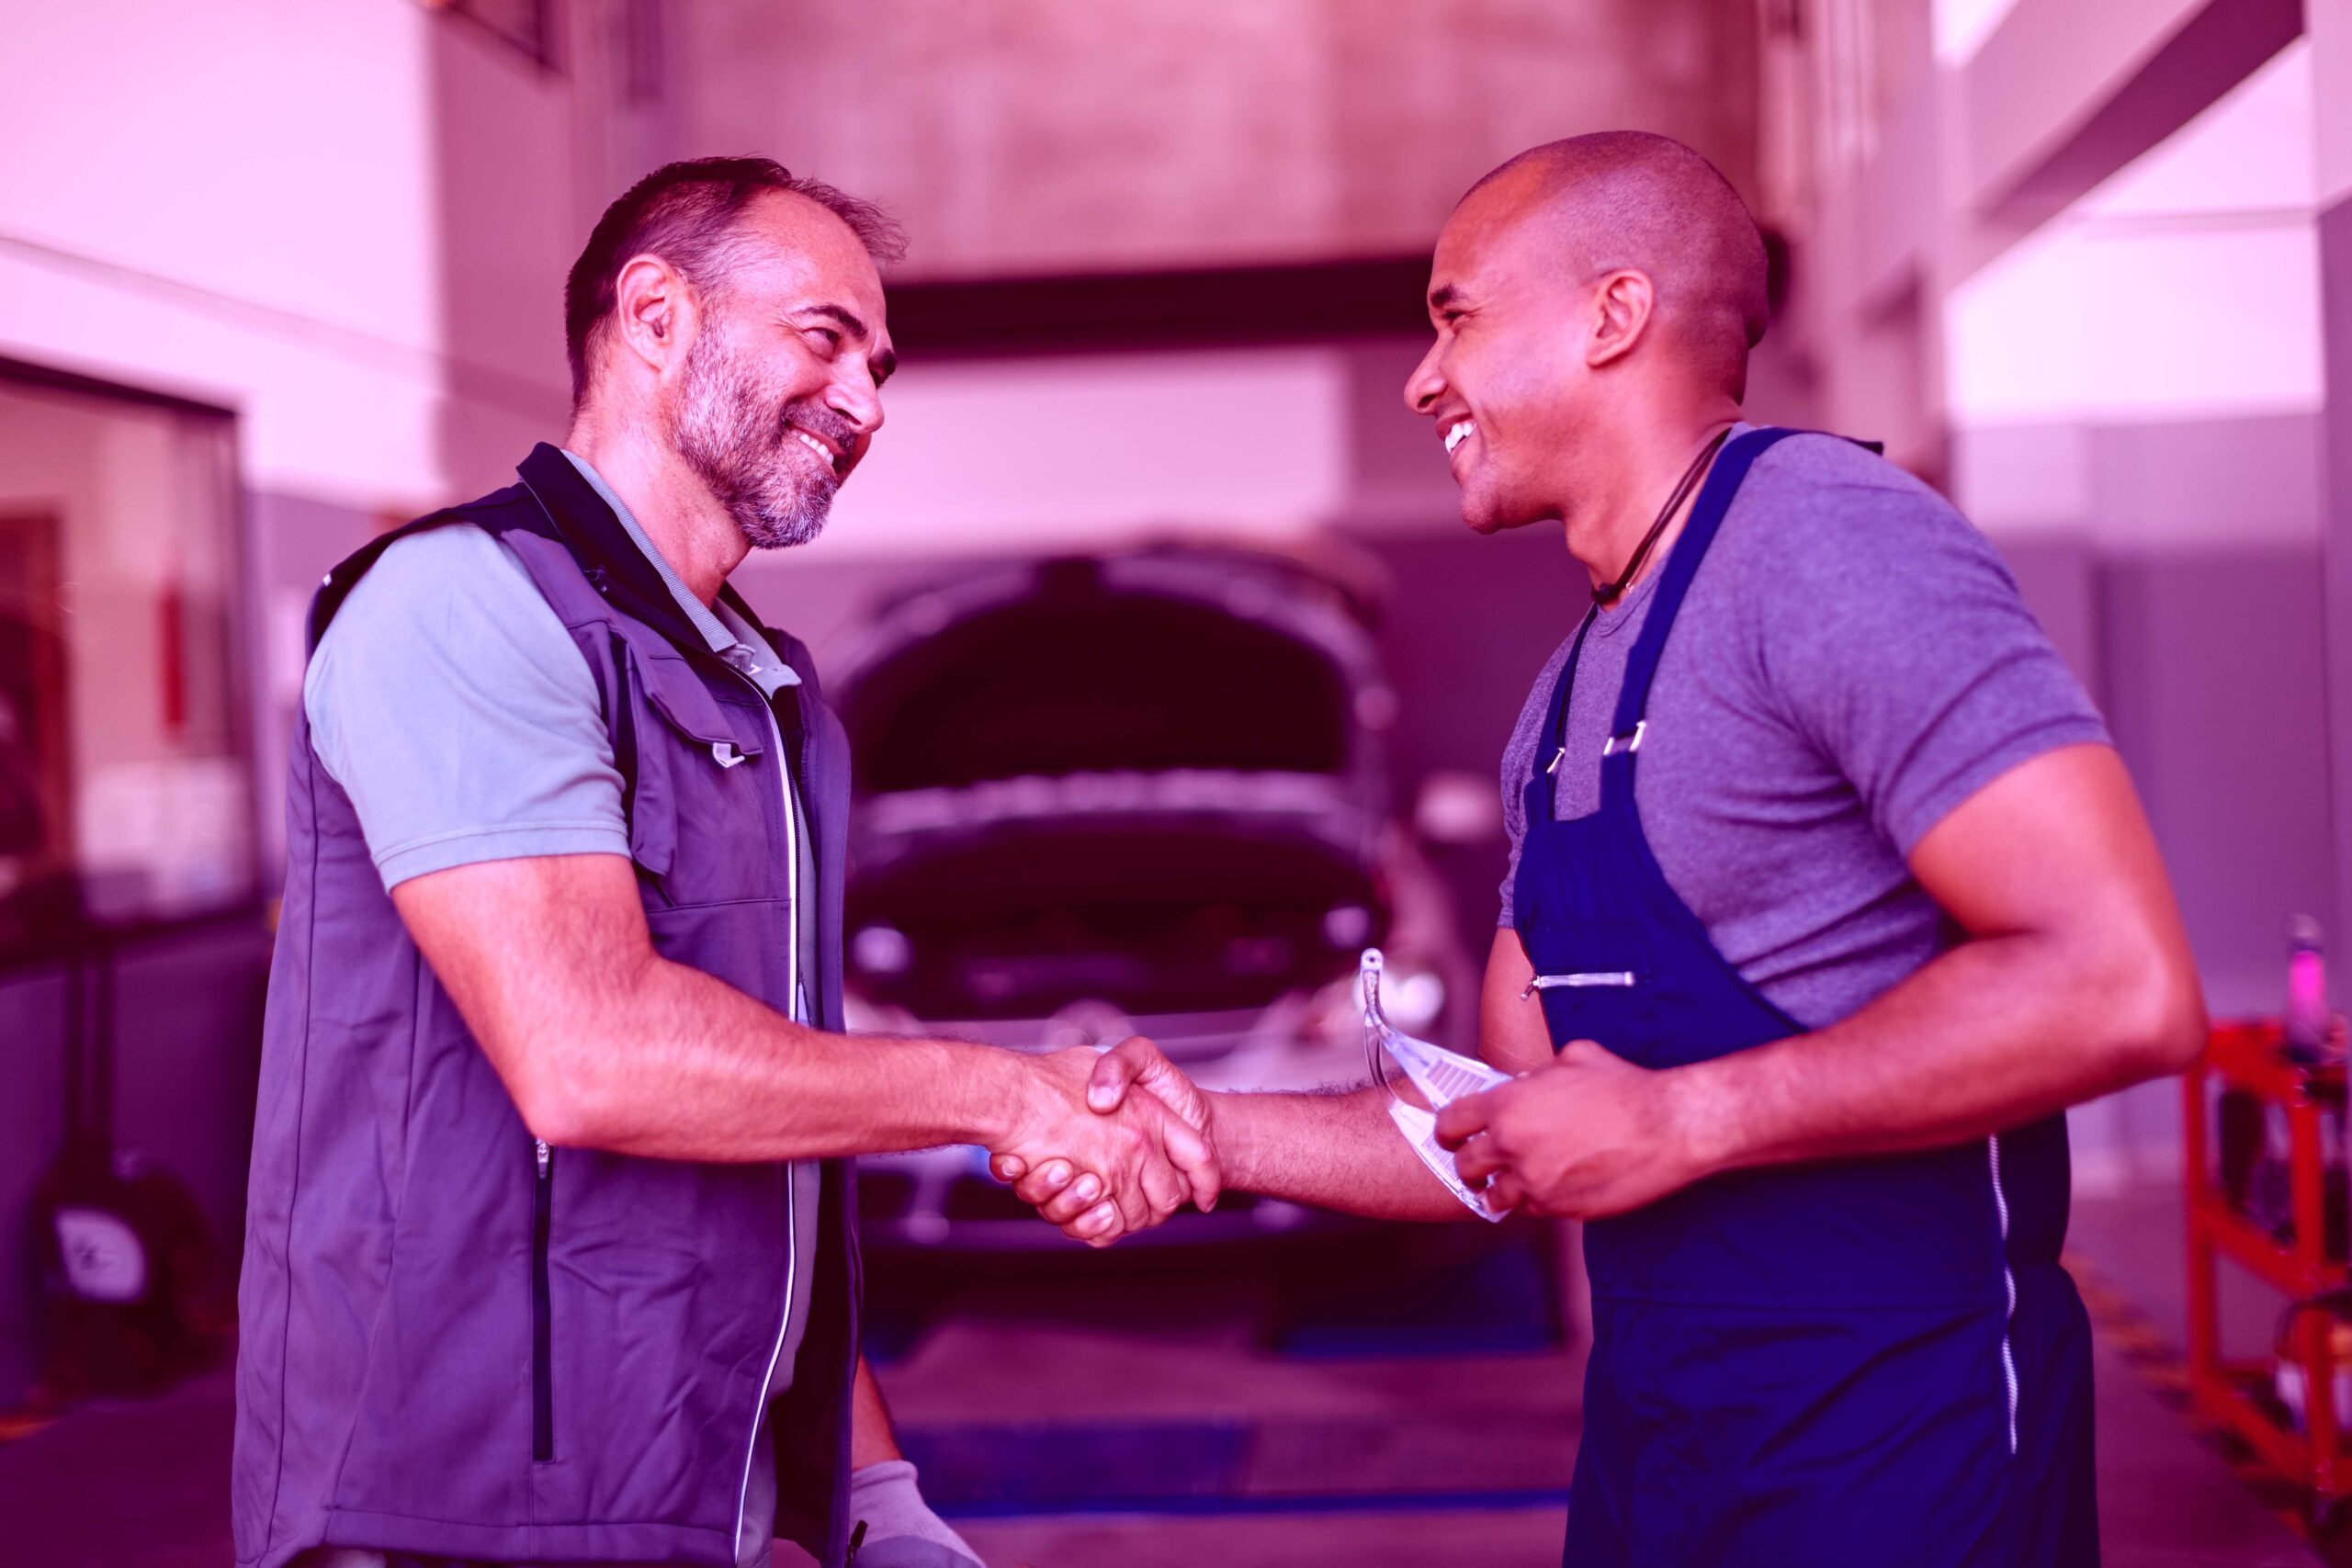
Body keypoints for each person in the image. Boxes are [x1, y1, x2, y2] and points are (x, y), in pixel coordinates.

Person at [1021, 132, 2206, 1564]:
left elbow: (2117, 981)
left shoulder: (1830, 545)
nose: (1422, 376)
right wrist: (1213, 1132)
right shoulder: (1567, 697)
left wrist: (1688, 1120)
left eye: (1455, 314)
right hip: (1666, 1448)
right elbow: (1511, 1126)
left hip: (1898, 1450)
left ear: (1613, 314)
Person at [232, 157, 1215, 1568]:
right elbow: (594, 1056)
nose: (868, 404)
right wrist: (1002, 1094)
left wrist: (872, 1494)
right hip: (442, 1514)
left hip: (693, 1506)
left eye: (881, 365)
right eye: (825, 339)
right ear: (654, 314)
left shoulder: (764, 691)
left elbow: (775, 1122)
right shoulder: (464, 604)